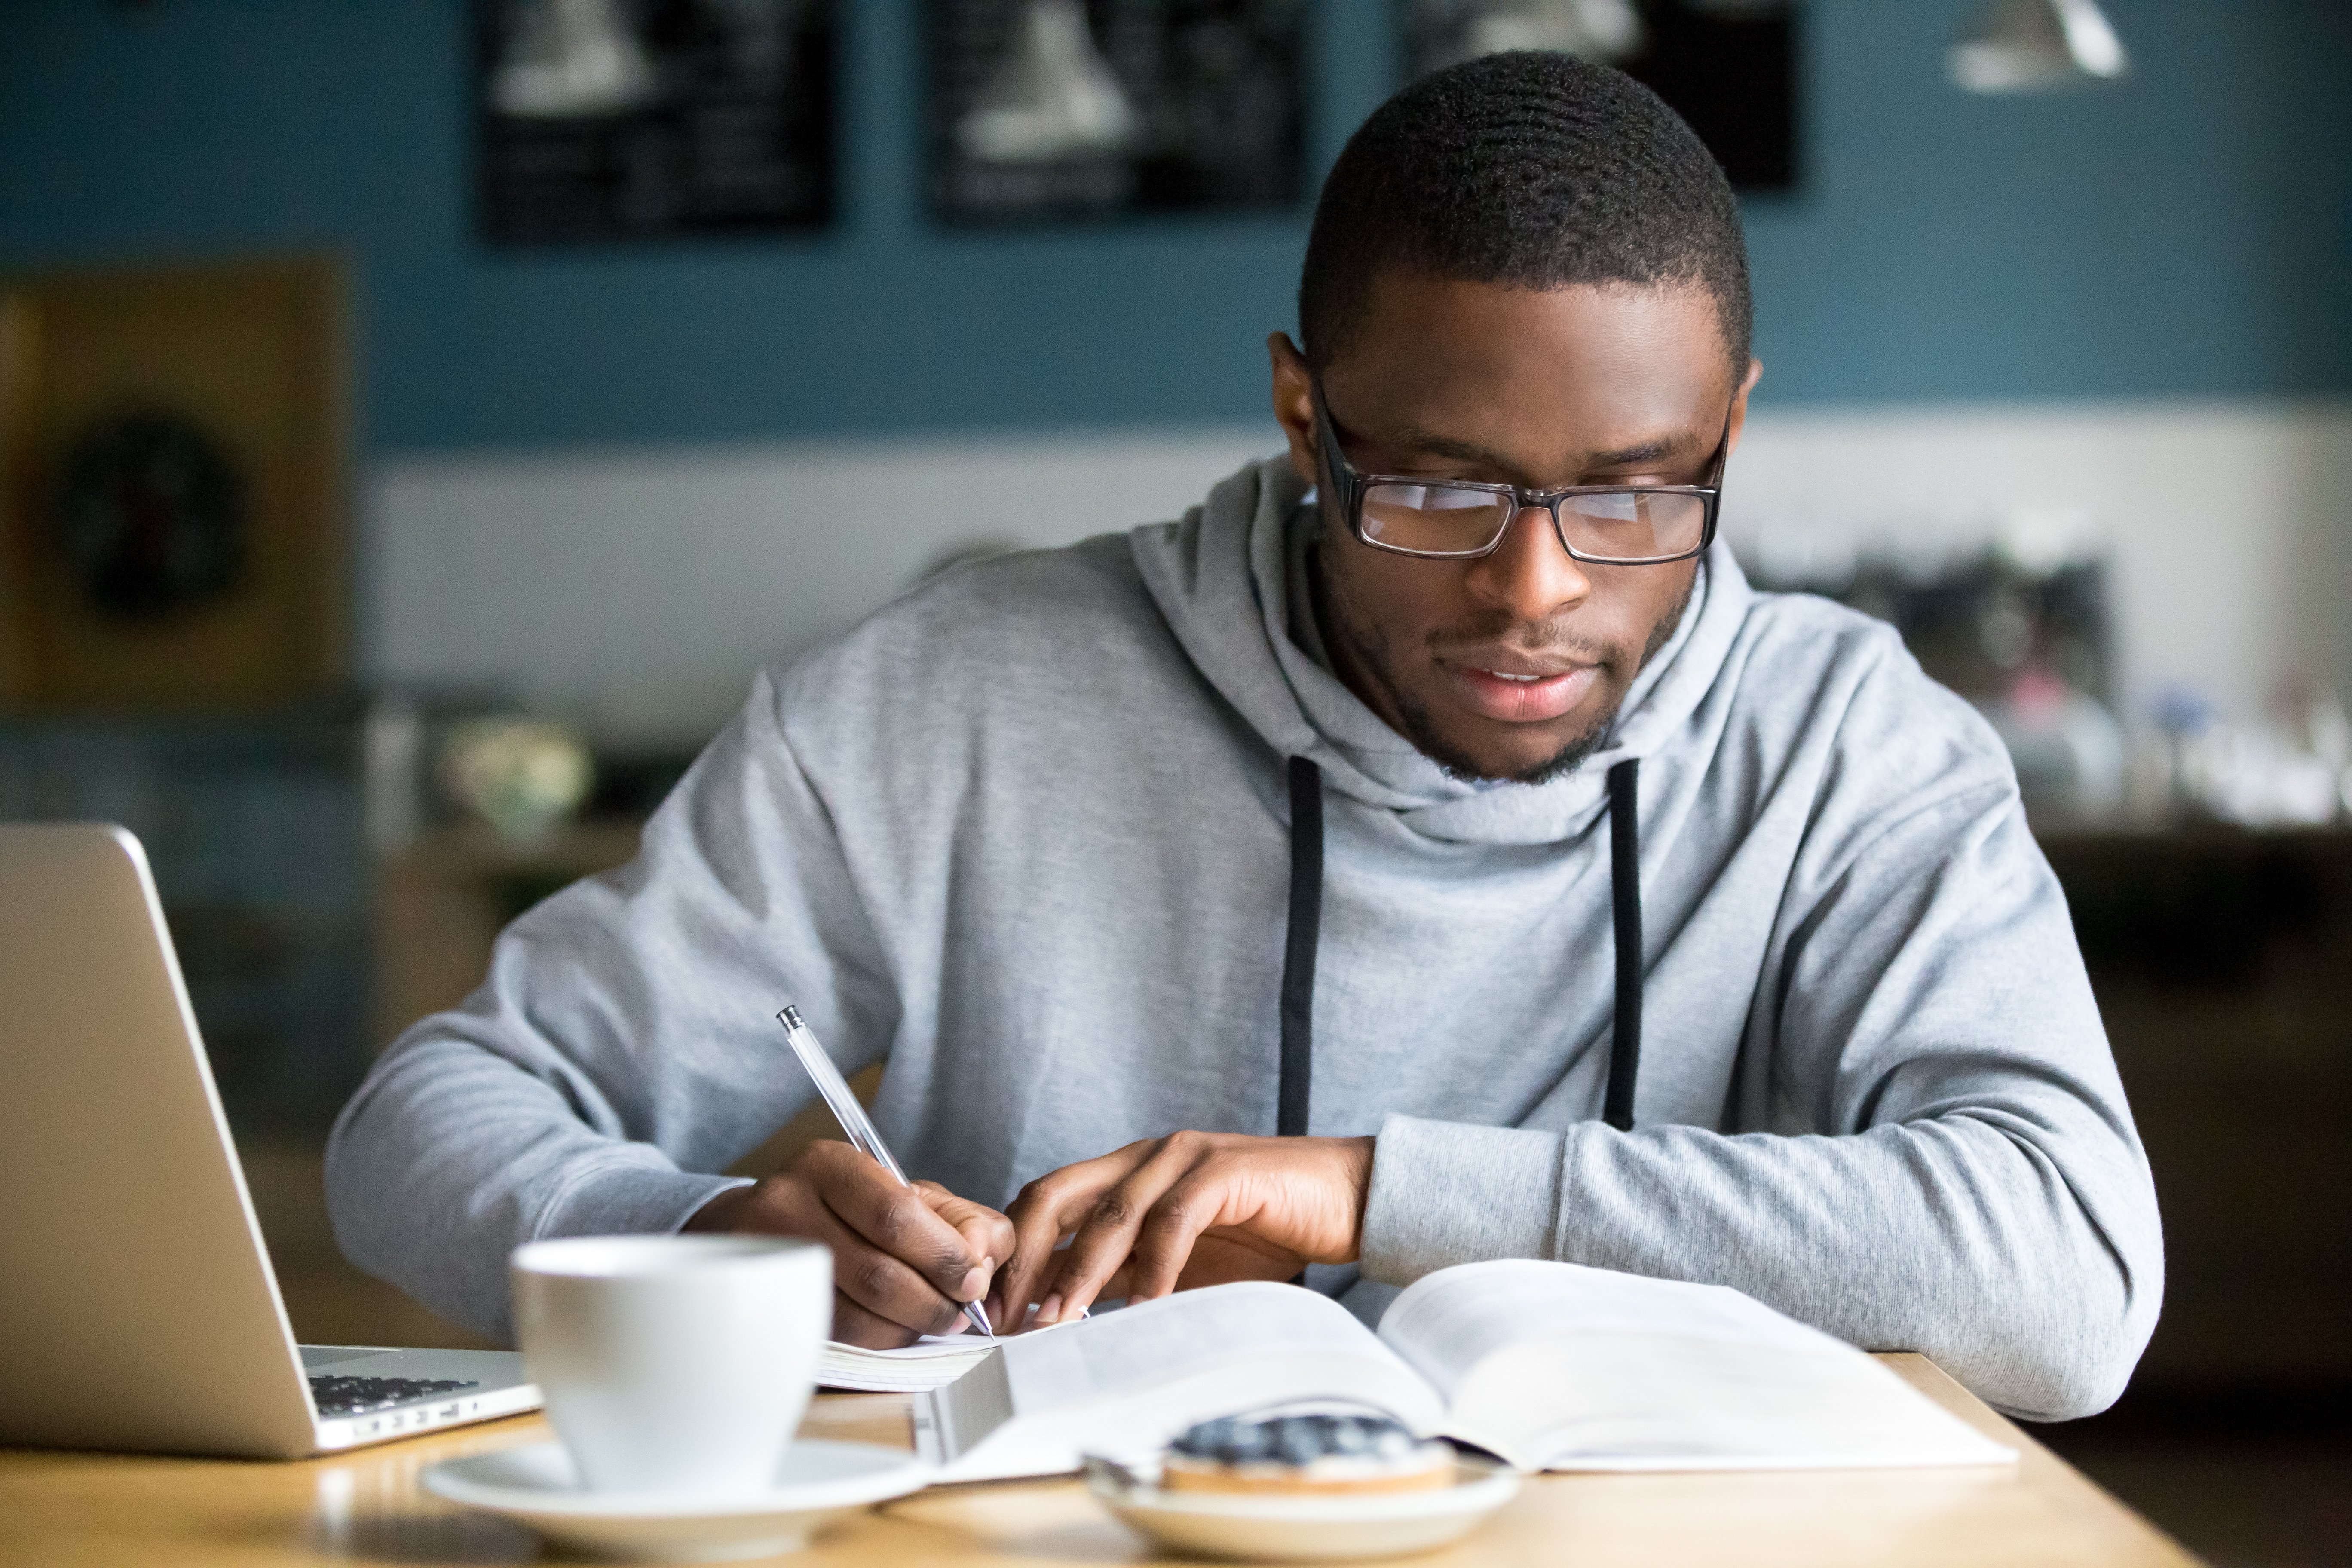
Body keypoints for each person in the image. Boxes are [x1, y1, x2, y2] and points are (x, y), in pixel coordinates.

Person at [328, 51, 2161, 1422]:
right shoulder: (951, 697)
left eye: (1634, 493)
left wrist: (1366, 1190)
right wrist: (708, 1233)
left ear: (1730, 427)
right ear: (1307, 412)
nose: (1535, 591)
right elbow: (418, 1124)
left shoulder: (1848, 749)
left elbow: (2070, 1282)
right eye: (1439, 487)